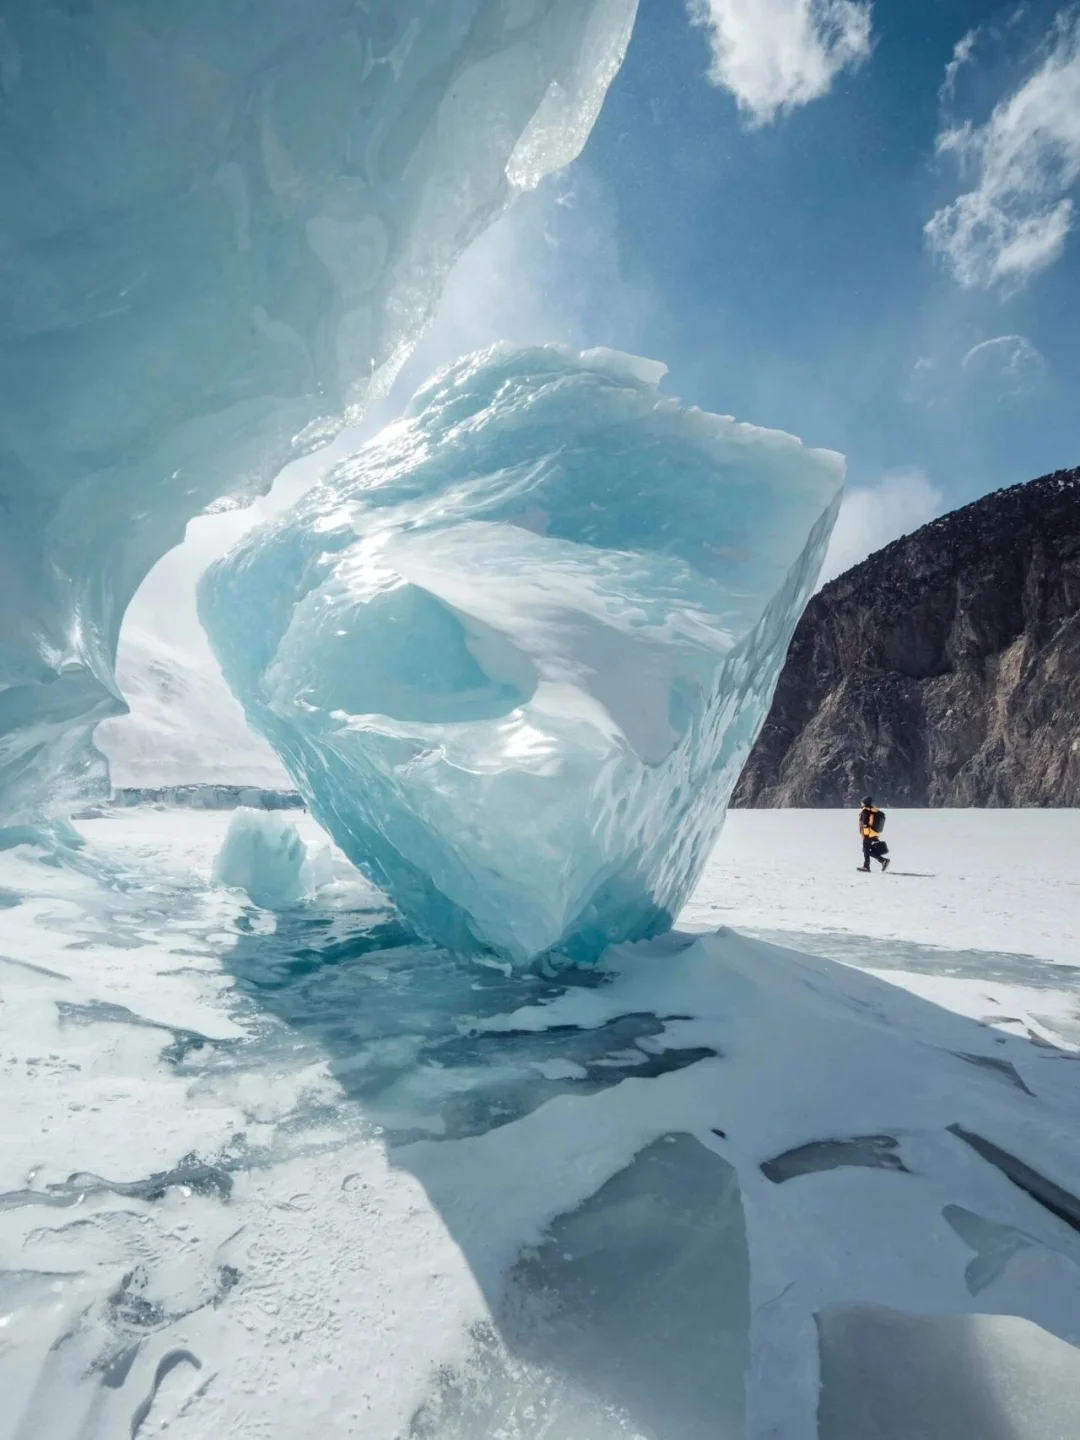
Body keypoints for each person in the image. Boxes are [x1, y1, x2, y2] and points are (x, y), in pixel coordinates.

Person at [857, 796, 890, 872]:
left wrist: (865, 835)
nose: (861, 804)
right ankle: (866, 866)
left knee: (865, 850)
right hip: (874, 833)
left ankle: (883, 861)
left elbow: (865, 824)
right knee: (867, 849)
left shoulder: (865, 811)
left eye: (862, 802)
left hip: (868, 834)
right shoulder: (874, 811)